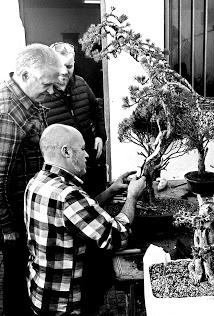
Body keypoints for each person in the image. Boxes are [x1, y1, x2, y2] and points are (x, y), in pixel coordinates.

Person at [24, 123, 146, 315]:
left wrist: (111, 190)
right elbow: (117, 238)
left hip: (40, 293)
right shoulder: (68, 195)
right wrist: (132, 196)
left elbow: (77, 217)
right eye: (81, 149)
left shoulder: (38, 181)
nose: (87, 154)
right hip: (64, 305)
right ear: (66, 152)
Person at [0, 43, 62, 316]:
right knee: (16, 280)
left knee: (27, 275)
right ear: (25, 75)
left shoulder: (28, 101)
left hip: (28, 208)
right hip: (14, 219)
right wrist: (7, 227)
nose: (51, 92)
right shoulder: (8, 115)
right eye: (47, 84)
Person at [41, 41, 107, 197]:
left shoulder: (81, 83)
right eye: (60, 66)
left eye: (69, 66)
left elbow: (96, 110)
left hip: (89, 157)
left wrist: (100, 135)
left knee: (98, 198)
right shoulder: (41, 94)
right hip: (65, 168)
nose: (64, 72)